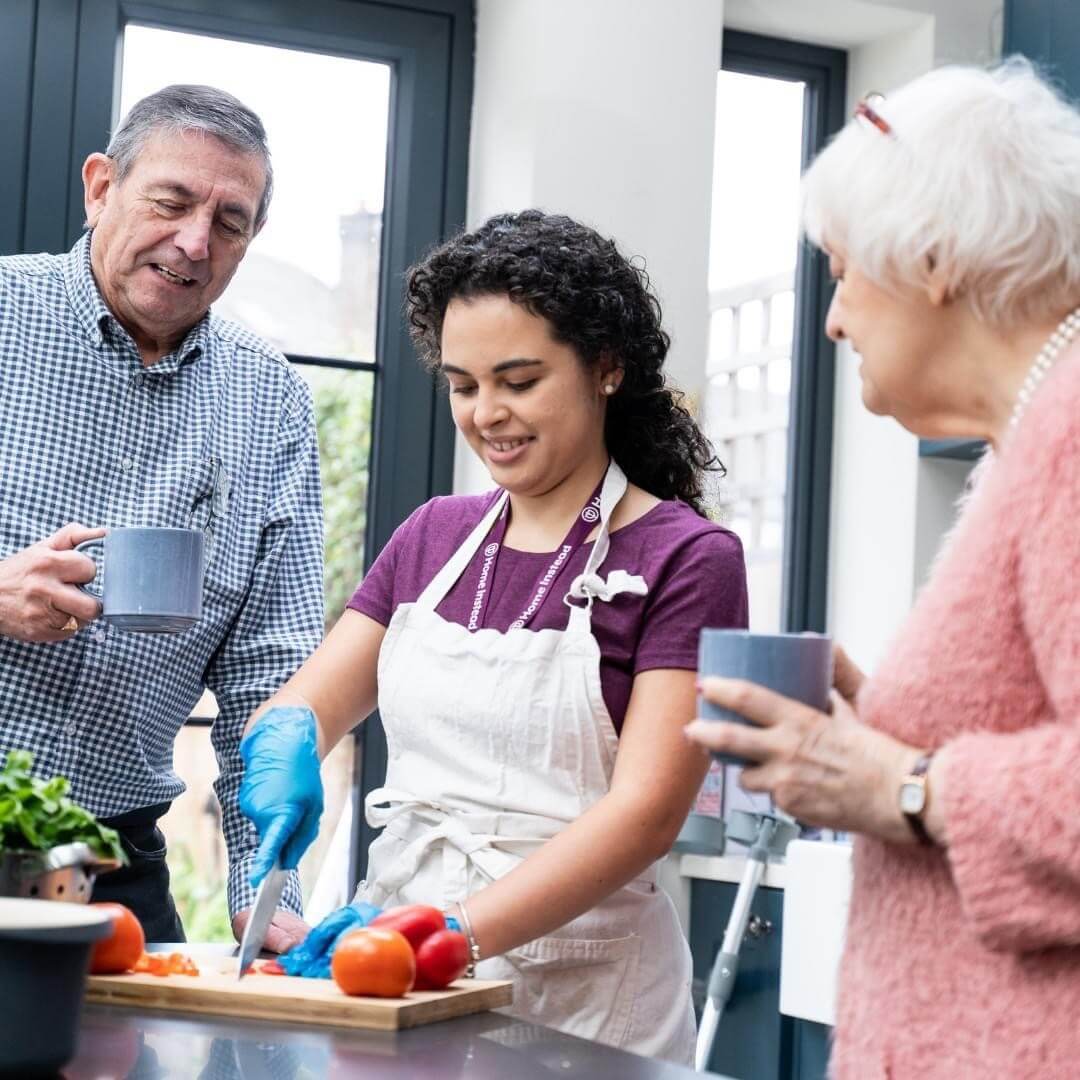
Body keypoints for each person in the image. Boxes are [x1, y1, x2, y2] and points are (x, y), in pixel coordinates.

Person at [237, 210, 748, 1062]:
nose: (488, 415)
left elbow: (646, 813)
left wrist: (450, 933)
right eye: (464, 385)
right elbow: (307, 703)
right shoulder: (434, 535)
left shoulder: (688, 558)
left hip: (583, 999)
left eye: (519, 380)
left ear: (607, 368)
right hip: (396, 969)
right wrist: (285, 741)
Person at [686, 60, 1080, 1078]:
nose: (835, 318)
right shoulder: (1030, 441)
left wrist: (899, 785)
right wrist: (873, 749)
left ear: (937, 257)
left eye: (841, 270)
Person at [0, 85, 323, 948]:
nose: (194, 242)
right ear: (101, 187)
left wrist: (269, 892)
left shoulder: (273, 401)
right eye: (172, 202)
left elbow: (270, 675)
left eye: (230, 222)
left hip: (117, 868)